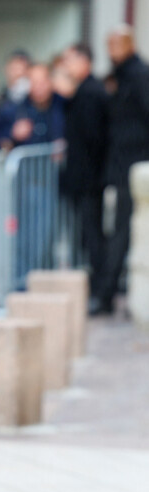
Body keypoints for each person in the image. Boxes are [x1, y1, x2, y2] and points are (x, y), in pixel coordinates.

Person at [96, 25, 149, 313]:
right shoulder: (120, 76)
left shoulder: (138, 75)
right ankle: (110, 292)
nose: (111, 49)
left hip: (134, 165)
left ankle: (108, 294)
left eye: (115, 44)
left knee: (123, 231)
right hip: (122, 166)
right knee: (120, 230)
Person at [61, 44, 108, 307]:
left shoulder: (90, 92)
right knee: (88, 235)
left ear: (83, 60)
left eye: (69, 60)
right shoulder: (86, 90)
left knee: (91, 236)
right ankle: (96, 290)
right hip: (88, 178)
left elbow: (93, 139)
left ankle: (100, 292)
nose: (66, 66)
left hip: (89, 179)